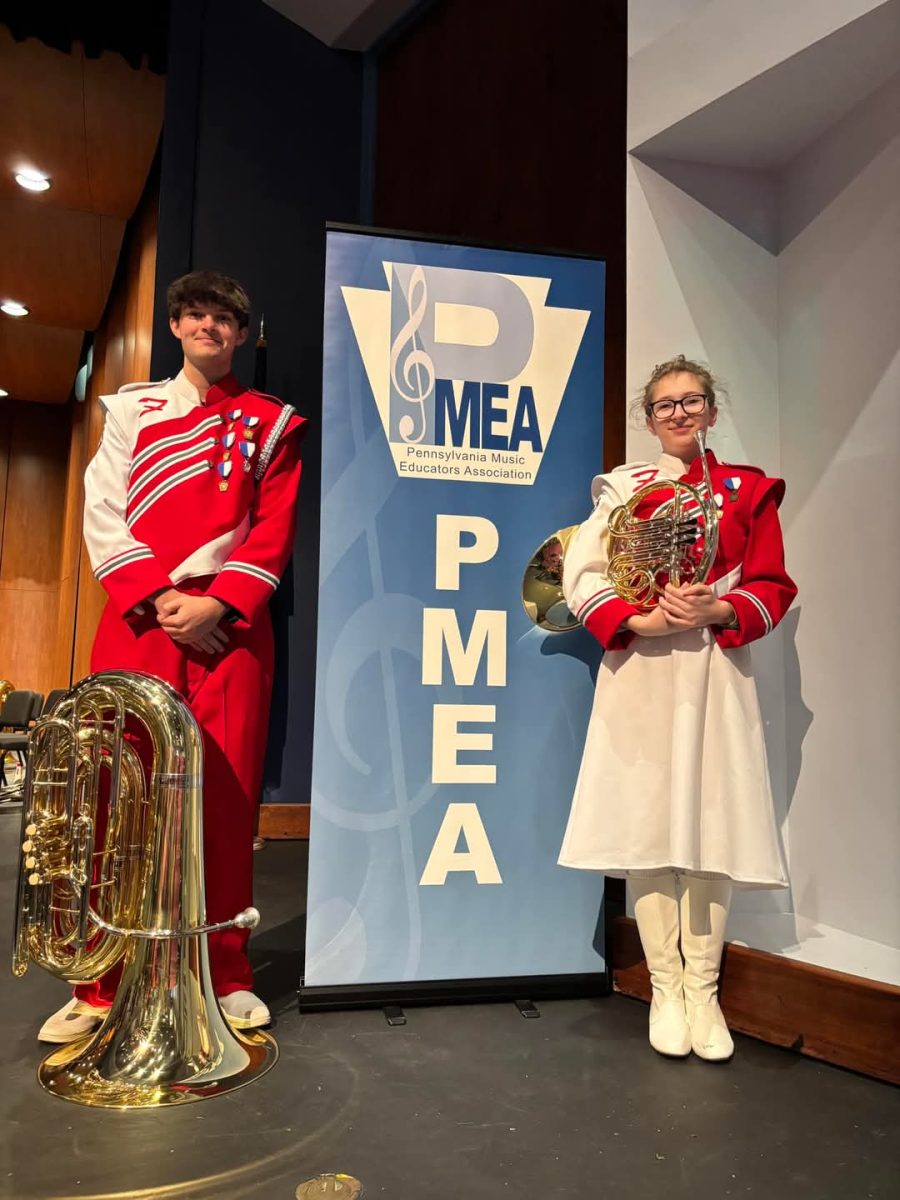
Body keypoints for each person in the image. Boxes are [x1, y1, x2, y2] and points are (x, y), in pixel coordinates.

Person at [39, 271, 306, 1043]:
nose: (208, 328)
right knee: (118, 792)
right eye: (195, 315)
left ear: (240, 334)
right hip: (142, 620)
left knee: (223, 799)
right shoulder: (130, 409)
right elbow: (103, 513)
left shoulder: (272, 422)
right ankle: (100, 980)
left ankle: (223, 973)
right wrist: (163, 602)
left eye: (224, 319)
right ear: (178, 326)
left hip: (231, 627)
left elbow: (274, 528)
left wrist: (218, 604)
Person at [559, 355, 796, 1061]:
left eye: (691, 402)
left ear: (712, 411)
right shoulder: (624, 489)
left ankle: (704, 990)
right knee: (648, 823)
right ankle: (666, 986)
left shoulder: (748, 491)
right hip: (644, 666)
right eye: (665, 406)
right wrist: (642, 622)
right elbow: (584, 572)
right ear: (650, 419)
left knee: (713, 823)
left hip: (714, 667)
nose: (679, 414)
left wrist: (718, 606)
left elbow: (773, 584)